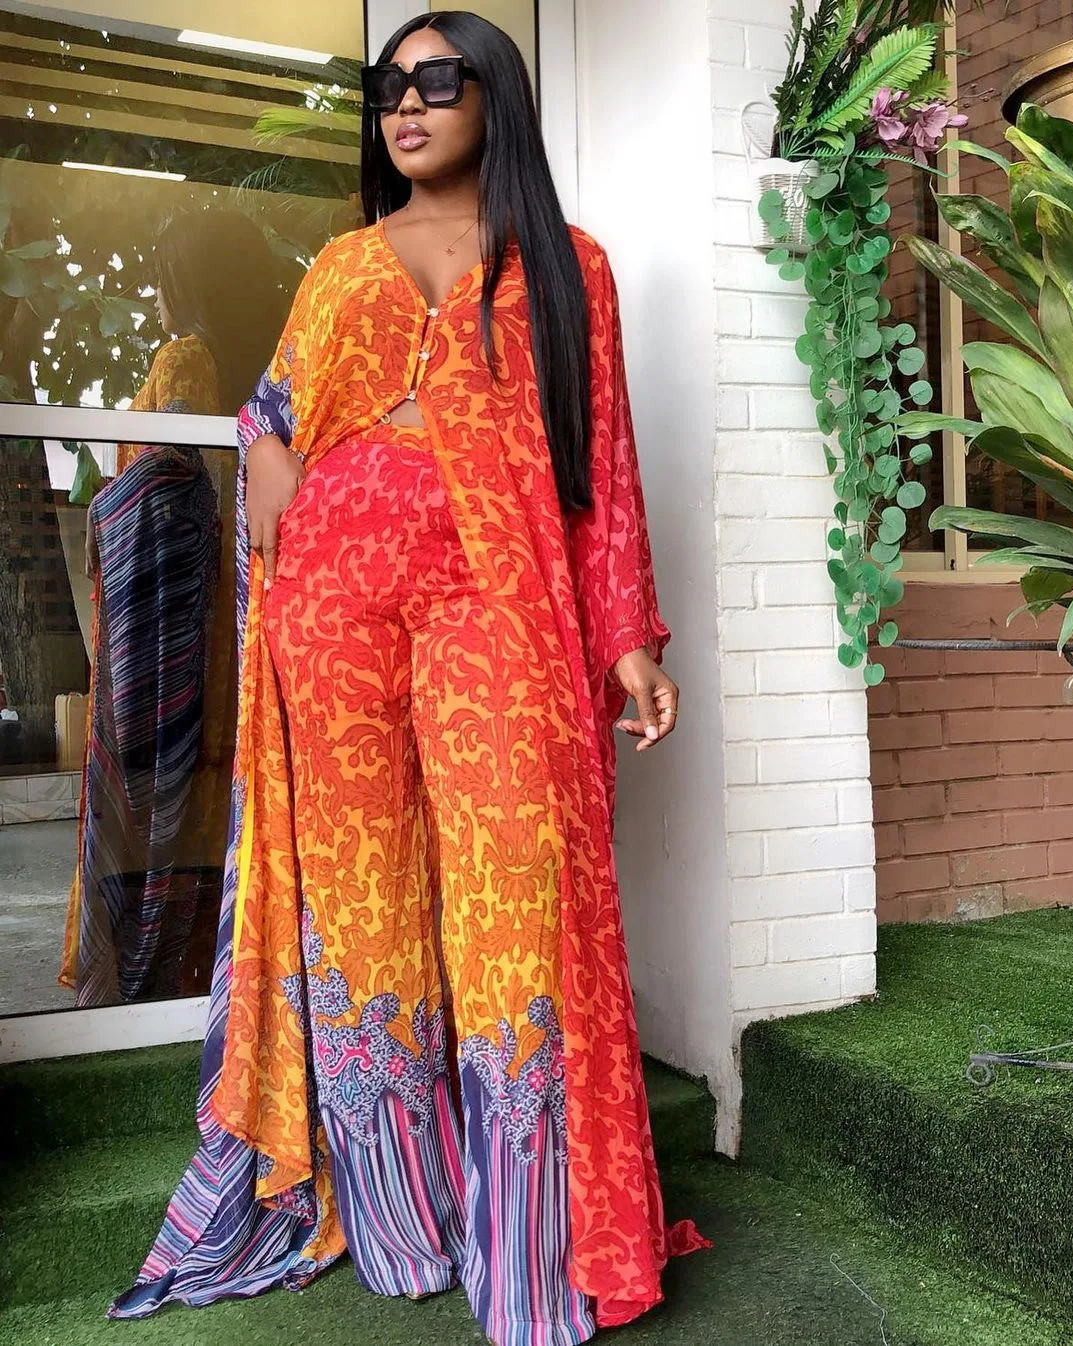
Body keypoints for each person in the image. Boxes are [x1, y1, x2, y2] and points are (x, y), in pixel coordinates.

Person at [108, 11, 710, 1344]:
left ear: (495, 96)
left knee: (512, 891)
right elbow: (273, 412)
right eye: (389, 88)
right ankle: (405, 1231)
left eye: (438, 80)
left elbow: (601, 463)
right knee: (366, 909)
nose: (407, 104)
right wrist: (273, 459)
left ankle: (530, 1264)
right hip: (333, 609)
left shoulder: (572, 266)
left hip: (496, 601)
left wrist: (629, 637)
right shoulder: (339, 263)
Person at [60, 210, 288, 1005]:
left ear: (187, 282)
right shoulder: (263, 368)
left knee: (157, 791)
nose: (155, 297)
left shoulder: (186, 357)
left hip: (172, 623)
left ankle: (146, 980)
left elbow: (180, 484)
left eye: (161, 278)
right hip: (226, 610)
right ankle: (208, 974)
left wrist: (109, 510)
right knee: (208, 792)